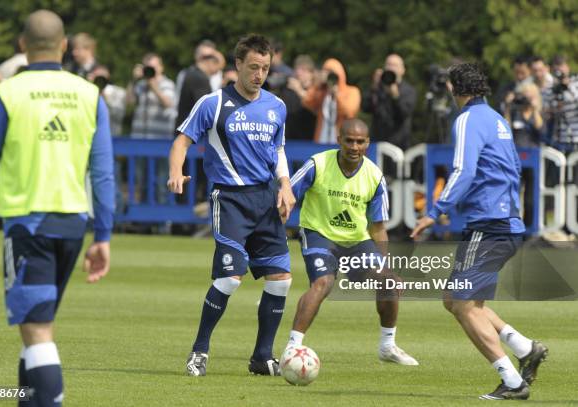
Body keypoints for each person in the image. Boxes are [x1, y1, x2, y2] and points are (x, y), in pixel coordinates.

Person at [0, 10, 114, 406]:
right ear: (65, 45)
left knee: (38, 333)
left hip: (29, 226)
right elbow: (103, 173)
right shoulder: (89, 95)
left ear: (21, 46)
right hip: (72, 227)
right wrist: (102, 235)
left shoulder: (7, 93)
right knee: (36, 329)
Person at [411, 63, 548, 400]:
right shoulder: (498, 120)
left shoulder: (468, 119)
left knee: (461, 304)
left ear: (453, 88)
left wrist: (435, 211)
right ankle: (525, 347)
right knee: (460, 300)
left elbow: (463, 170)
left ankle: (513, 383)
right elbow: (514, 168)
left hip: (488, 226)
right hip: (505, 223)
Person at [169, 34, 295, 377]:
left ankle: (262, 357)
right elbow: (182, 140)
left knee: (281, 279)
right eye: (253, 67)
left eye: (265, 68)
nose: (259, 74)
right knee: (230, 278)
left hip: (265, 199)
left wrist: (285, 184)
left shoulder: (277, 106)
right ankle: (199, 351)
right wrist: (176, 171)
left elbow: (278, 150)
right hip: (229, 198)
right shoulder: (213, 102)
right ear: (237, 64)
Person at [285, 118, 418, 366]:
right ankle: (293, 348)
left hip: (356, 241)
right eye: (349, 141)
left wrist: (385, 266)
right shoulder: (318, 164)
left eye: (360, 142)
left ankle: (387, 346)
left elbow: (378, 227)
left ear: (367, 143)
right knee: (323, 282)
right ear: (339, 140)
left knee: (389, 282)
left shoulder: (375, 176)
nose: (354, 147)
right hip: (319, 233)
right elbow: (286, 195)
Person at [361, 54, 416, 150]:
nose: (391, 68)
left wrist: (395, 96)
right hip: (377, 144)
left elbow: (404, 114)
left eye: (394, 65)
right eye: (388, 65)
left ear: (402, 70)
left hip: (399, 145)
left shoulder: (409, 90)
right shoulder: (378, 88)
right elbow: (365, 107)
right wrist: (374, 87)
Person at [303, 58, 361, 144]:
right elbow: (307, 102)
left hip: (341, 143)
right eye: (325, 71)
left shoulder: (352, 91)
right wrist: (317, 84)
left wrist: (337, 95)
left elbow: (349, 112)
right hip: (320, 141)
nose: (327, 75)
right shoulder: (322, 92)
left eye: (330, 71)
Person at [128, 53, 177, 138]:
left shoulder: (167, 84)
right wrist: (133, 80)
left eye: (153, 67)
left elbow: (168, 104)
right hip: (138, 137)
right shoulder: (140, 84)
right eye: (148, 67)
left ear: (161, 67)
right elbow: (128, 101)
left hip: (159, 138)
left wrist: (153, 86)